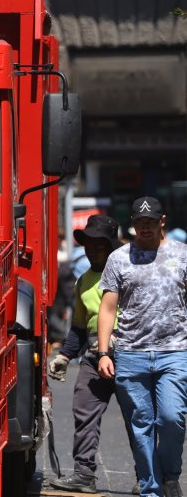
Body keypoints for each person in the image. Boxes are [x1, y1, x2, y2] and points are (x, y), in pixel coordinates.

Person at [97, 196, 187, 497]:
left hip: (175, 351)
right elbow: (108, 308)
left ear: (162, 221)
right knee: (141, 425)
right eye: (139, 222)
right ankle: (151, 488)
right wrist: (103, 352)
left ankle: (170, 473)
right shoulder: (119, 258)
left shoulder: (182, 254)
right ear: (132, 225)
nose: (144, 228)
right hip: (131, 354)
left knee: (172, 417)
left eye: (150, 222)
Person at [48, 215, 138, 494]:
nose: (91, 249)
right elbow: (78, 326)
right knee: (84, 412)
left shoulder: (131, 273)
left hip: (129, 356)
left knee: (138, 418)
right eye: (88, 243)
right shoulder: (83, 282)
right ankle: (84, 474)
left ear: (112, 246)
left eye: (99, 244)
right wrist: (64, 356)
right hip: (92, 358)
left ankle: (146, 476)